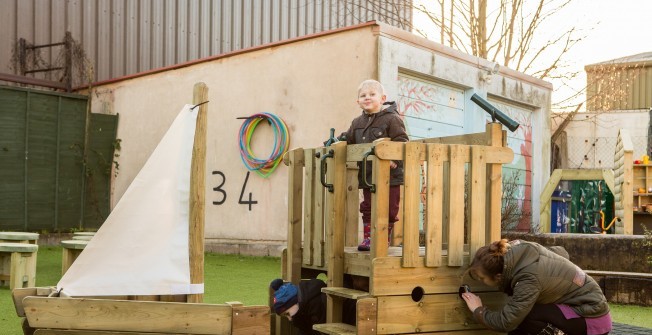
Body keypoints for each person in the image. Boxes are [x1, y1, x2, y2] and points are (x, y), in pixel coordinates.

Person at [461, 239, 612, 335]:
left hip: (592, 319)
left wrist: (478, 310)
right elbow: (561, 252)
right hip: (580, 309)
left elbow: (506, 321)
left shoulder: (528, 278)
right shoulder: (518, 252)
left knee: (524, 316)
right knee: (518, 328)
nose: (481, 282)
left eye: (482, 278)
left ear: (498, 276)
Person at [339, 79, 408, 251]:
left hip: (391, 175)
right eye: (363, 95)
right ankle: (369, 238)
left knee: (390, 208)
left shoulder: (392, 119)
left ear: (382, 98)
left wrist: (394, 159)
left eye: (372, 94)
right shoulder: (357, 123)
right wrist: (337, 141)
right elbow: (348, 139)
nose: (367, 98)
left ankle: (383, 238)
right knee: (368, 207)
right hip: (368, 175)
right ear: (358, 102)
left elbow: (402, 141)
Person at [270, 278, 355, 335]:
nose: (289, 318)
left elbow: (320, 331)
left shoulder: (317, 304)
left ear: (294, 302)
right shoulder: (303, 310)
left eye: (287, 313)